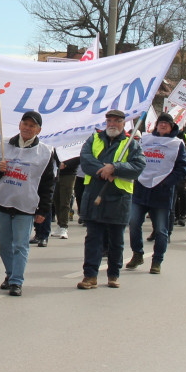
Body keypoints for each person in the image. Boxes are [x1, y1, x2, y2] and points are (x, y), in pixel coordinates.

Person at [0, 112, 57, 296]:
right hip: (4, 202)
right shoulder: (3, 146)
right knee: (4, 246)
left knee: (21, 245)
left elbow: (48, 184)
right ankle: (10, 274)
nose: (27, 128)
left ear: (38, 130)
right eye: (25, 123)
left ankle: (17, 281)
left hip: (26, 205)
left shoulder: (45, 152)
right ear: (19, 125)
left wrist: (44, 210)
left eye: (32, 126)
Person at [76, 109, 146, 289]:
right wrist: (104, 171)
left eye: (117, 121)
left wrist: (115, 168)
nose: (112, 124)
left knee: (116, 240)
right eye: (109, 121)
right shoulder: (94, 139)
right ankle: (90, 276)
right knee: (93, 239)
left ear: (124, 123)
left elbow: (138, 166)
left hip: (119, 199)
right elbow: (86, 160)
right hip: (95, 195)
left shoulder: (131, 143)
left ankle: (113, 274)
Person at [126, 112, 186, 275]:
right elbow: (133, 159)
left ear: (172, 126)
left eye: (167, 123)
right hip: (141, 190)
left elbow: (183, 169)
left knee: (160, 230)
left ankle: (157, 260)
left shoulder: (177, 144)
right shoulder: (145, 140)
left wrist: (167, 182)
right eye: (161, 122)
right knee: (133, 223)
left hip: (162, 193)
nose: (163, 124)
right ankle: (137, 254)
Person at [52, 154, 79, 239]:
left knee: (65, 200)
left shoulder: (73, 143)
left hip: (69, 174)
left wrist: (66, 164)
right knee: (56, 200)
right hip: (56, 172)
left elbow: (78, 157)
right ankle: (60, 224)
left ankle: (64, 226)